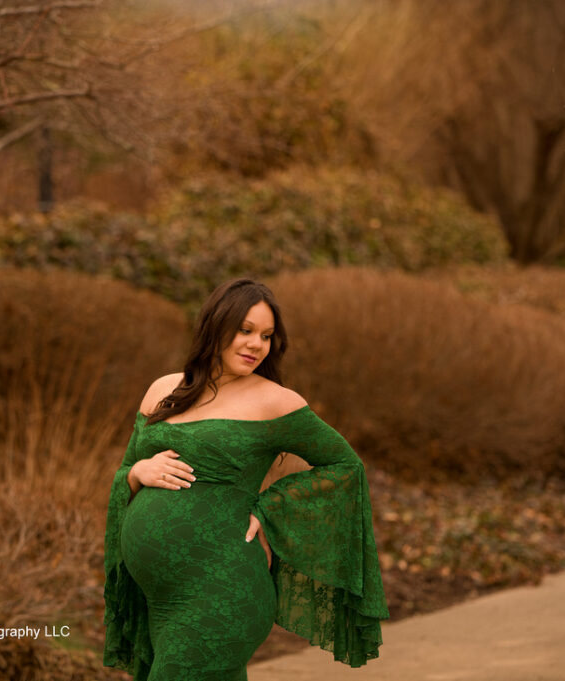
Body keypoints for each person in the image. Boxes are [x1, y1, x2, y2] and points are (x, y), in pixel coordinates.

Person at [102, 277, 389, 681]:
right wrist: (136, 472)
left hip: (224, 590)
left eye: (267, 336)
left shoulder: (275, 402)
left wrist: (271, 510)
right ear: (215, 326)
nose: (256, 344)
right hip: (160, 601)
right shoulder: (163, 389)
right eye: (245, 330)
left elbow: (345, 467)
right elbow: (124, 471)